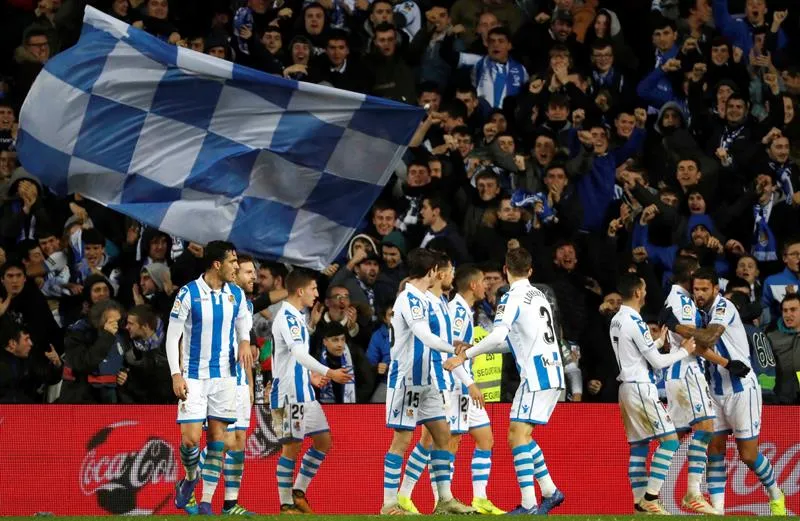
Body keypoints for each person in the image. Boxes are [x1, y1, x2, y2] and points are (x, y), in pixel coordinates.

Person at [445, 248, 565, 515]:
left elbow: (499, 335)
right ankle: (549, 491)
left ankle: (529, 504)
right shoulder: (541, 296)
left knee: (516, 436)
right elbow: (512, 343)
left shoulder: (512, 297)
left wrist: (466, 355)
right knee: (523, 435)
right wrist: (475, 345)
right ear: (530, 271)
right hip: (553, 371)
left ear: (505, 270)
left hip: (536, 376)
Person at [381, 248, 474, 515]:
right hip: (407, 380)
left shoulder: (423, 298)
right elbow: (424, 335)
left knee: (443, 436)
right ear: (432, 271)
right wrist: (452, 349)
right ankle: (389, 503)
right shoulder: (408, 298)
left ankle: (444, 500)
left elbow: (432, 336)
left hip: (428, 380)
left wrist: (452, 344)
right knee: (402, 438)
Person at [689, 268, 786, 515]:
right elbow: (695, 347)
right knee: (715, 449)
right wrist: (722, 362)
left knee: (748, 454)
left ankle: (775, 493)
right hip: (715, 389)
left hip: (742, 388)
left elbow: (708, 339)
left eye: (703, 289)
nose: (698, 294)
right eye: (695, 289)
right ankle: (719, 510)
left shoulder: (724, 307)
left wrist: (679, 328)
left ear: (715, 289)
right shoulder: (696, 313)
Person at [167, 241, 254, 516]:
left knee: (217, 441)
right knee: (191, 439)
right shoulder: (188, 293)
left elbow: (243, 323)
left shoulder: (236, 295)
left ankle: (206, 502)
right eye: (233, 262)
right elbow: (172, 337)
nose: (236, 267)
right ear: (217, 264)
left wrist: (244, 341)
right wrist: (176, 374)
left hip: (225, 377)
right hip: (193, 377)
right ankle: (191, 477)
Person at [608, 273, 696, 514]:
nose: (646, 293)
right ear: (637, 292)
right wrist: (684, 351)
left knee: (639, 447)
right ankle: (650, 497)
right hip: (640, 388)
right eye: (644, 288)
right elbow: (656, 363)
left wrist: (657, 342)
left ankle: (639, 505)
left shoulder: (617, 319)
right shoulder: (635, 321)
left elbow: (636, 354)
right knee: (670, 441)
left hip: (626, 388)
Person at [271, 268, 352, 514]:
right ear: (300, 290)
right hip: (289, 393)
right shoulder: (286, 317)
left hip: (305, 392)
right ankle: (285, 504)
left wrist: (310, 376)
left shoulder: (297, 317)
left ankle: (298, 490)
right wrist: (329, 373)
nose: (317, 294)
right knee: (291, 447)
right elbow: (297, 354)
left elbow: (291, 359)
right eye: (314, 289)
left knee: (323, 440)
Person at [660, 255, 732, 514]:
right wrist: (725, 362)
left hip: (676, 374)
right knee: (705, 428)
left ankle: (648, 494)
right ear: (690, 274)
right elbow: (699, 343)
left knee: (673, 437)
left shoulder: (674, 299)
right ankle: (693, 493)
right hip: (687, 372)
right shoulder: (681, 301)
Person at [447, 264, 503, 514]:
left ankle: (480, 499)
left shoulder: (466, 310)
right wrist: (470, 383)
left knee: (485, 440)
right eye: (483, 281)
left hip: (464, 384)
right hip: (456, 386)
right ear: (472, 285)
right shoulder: (457, 312)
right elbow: (450, 355)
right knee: (450, 443)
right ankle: (444, 499)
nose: (486, 285)